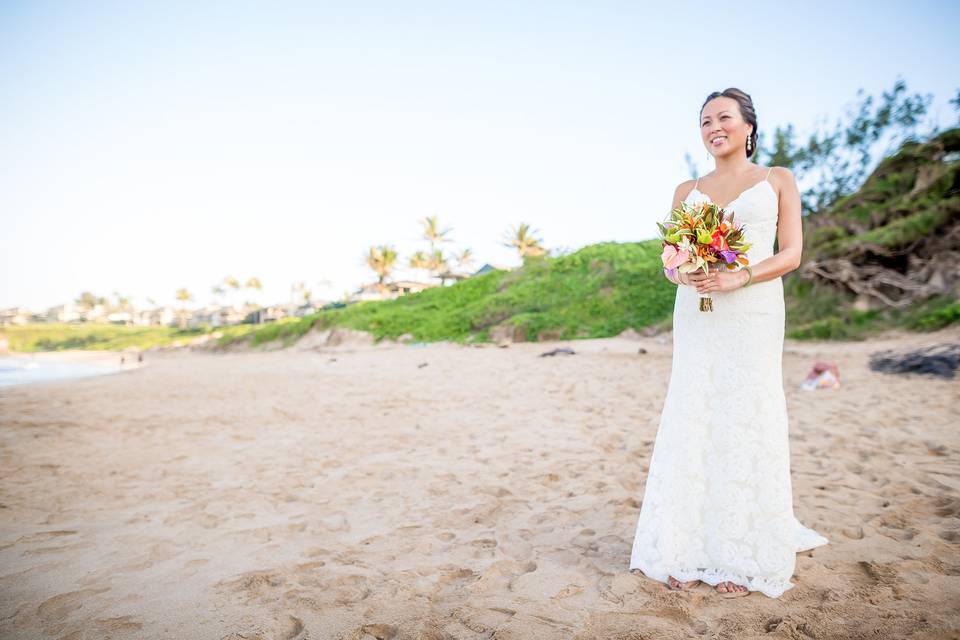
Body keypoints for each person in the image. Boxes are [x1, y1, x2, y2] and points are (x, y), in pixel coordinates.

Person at [629, 88, 829, 598]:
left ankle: (741, 554)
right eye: (704, 121)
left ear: (748, 128)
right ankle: (684, 547)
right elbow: (669, 260)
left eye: (723, 117)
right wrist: (687, 272)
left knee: (746, 414)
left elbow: (792, 254)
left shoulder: (776, 179)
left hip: (754, 311)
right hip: (698, 314)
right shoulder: (686, 190)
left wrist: (739, 277)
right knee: (694, 412)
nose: (713, 126)